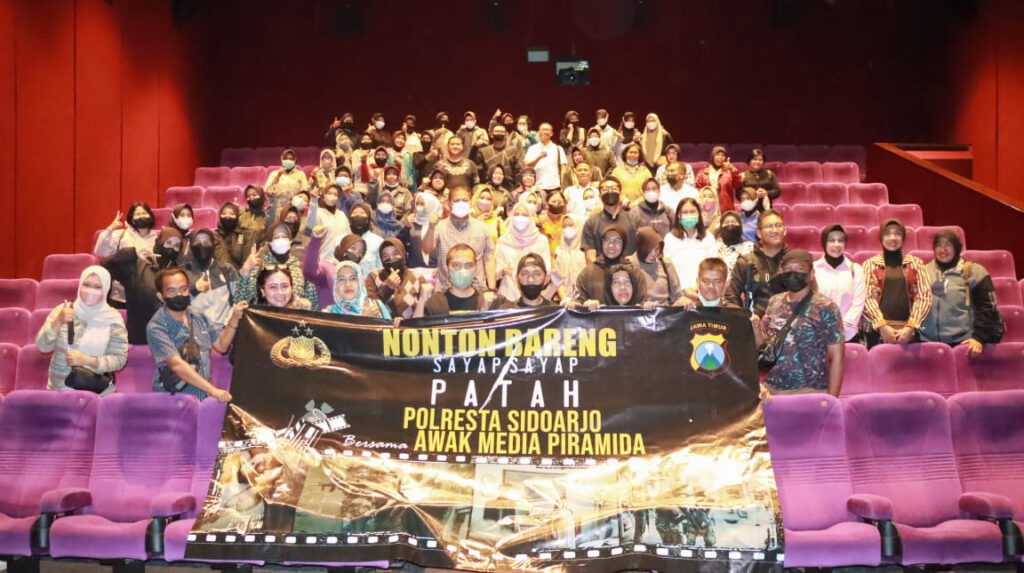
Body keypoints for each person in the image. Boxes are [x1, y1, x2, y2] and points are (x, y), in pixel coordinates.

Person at [146, 267, 247, 402]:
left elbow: (221, 345)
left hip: (202, 396)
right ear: (160, 296)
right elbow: (177, 365)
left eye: (183, 289)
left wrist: (234, 318)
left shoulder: (198, 315)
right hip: (175, 400)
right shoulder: (156, 327)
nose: (179, 294)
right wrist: (213, 391)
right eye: (172, 291)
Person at [754, 249, 844, 396]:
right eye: (788, 268)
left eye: (799, 269)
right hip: (772, 392)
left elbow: (837, 357)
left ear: (811, 274)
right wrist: (755, 327)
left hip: (809, 394)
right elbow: (763, 346)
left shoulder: (826, 307)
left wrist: (832, 400)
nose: (793, 272)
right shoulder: (774, 301)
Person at [36, 266, 128, 394]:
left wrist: (88, 360)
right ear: (80, 285)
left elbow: (119, 359)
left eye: (97, 287)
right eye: (86, 285)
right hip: (59, 390)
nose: (90, 290)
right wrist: (58, 322)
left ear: (106, 289)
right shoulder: (62, 310)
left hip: (94, 392)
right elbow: (42, 346)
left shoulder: (113, 319)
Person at [920, 229, 1004, 354]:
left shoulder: (975, 272)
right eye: (939, 245)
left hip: (963, 344)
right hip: (927, 342)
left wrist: (979, 337)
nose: (943, 250)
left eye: (948, 245)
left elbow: (987, 308)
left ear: (957, 248)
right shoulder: (923, 271)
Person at [103, 227, 186, 344]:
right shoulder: (137, 265)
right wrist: (131, 253)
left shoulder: (178, 273)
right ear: (159, 242)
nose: (171, 248)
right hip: (139, 338)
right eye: (168, 243)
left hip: (170, 340)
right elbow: (104, 268)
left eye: (176, 245)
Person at [861, 219, 932, 348]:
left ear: (903, 238)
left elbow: (924, 297)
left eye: (898, 233)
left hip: (908, 332)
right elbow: (866, 297)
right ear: (881, 237)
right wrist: (882, 325)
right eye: (887, 234)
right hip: (876, 331)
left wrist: (911, 327)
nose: (893, 238)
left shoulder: (916, 263)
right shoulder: (869, 264)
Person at [423, 187, 496, 291]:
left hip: (477, 289)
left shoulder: (482, 228)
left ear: (470, 203)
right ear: (448, 204)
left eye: (465, 200)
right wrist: (431, 228)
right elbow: (426, 249)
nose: (461, 203)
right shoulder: (439, 227)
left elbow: (489, 259)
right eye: (456, 200)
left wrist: (492, 288)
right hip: (445, 290)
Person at [723, 209, 790, 317]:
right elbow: (731, 296)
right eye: (769, 226)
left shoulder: (795, 261)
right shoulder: (746, 262)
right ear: (759, 233)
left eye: (778, 226)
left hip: (789, 323)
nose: (775, 230)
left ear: (785, 230)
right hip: (754, 322)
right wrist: (744, 317)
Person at [236, 223, 318, 308]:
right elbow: (241, 302)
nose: (280, 240)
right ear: (269, 242)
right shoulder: (259, 267)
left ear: (290, 241)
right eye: (276, 237)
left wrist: (304, 306)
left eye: (284, 236)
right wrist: (245, 271)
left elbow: (313, 305)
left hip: (293, 316)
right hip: (265, 316)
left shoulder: (300, 268)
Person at [813, 225, 867, 342]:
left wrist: (842, 327)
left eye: (841, 240)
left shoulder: (855, 269)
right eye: (831, 240)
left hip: (848, 335)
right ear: (824, 242)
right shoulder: (813, 269)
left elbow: (858, 303)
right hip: (819, 333)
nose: (836, 244)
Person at [182, 228, 241, 329]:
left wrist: (245, 274)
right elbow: (176, 306)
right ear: (191, 245)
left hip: (225, 331)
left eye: (206, 242)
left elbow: (240, 298)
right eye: (197, 242)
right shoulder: (183, 273)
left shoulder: (226, 269)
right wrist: (194, 289)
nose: (202, 246)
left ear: (213, 245)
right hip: (196, 333)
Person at [574, 226, 647, 308]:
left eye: (617, 241)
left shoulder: (635, 272)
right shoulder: (587, 273)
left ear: (624, 244)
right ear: (601, 243)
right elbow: (578, 305)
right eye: (606, 240)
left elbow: (641, 306)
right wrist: (585, 304)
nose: (611, 245)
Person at [495, 201, 552, 301]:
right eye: (516, 214)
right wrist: (503, 271)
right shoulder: (503, 241)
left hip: (533, 293)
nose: (520, 218)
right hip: (508, 293)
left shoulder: (541, 240)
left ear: (531, 218)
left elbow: (546, 269)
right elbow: (497, 271)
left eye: (525, 215)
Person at [423, 244, 499, 316]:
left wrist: (486, 311)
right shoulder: (435, 303)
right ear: (447, 269)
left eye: (469, 265)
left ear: (475, 268)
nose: (463, 271)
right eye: (456, 265)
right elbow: (420, 325)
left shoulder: (491, 302)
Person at [365, 238, 430, 321]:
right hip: (385, 327)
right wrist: (387, 289)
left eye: (396, 253)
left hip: (411, 327)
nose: (391, 258)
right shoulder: (374, 277)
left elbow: (427, 311)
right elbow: (371, 309)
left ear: (404, 254)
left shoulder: (417, 278)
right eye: (385, 256)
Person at [662, 198, 719, 290]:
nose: (689, 215)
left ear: (698, 214)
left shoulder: (708, 237)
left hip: (704, 291)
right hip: (679, 292)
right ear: (678, 215)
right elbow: (668, 269)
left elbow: (713, 267)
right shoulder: (670, 239)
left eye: (692, 211)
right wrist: (683, 290)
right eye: (685, 212)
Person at [582, 177, 642, 263]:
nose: (610, 191)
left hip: (630, 268)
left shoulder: (634, 219)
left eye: (614, 188)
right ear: (599, 196)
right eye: (605, 189)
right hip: (601, 270)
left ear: (620, 193)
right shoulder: (591, 223)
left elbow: (642, 250)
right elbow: (590, 258)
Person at [305, 231, 366, 306]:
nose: (356, 254)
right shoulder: (327, 268)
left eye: (361, 252)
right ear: (343, 248)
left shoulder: (359, 275)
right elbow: (310, 271)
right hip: (328, 313)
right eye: (353, 248)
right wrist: (315, 241)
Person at [630, 227, 685, 306]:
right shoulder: (629, 265)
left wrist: (683, 302)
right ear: (641, 247)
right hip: (640, 311)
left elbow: (678, 296)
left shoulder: (665, 264)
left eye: (657, 249)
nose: (653, 254)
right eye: (649, 249)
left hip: (665, 311)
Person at [323, 261, 392, 319]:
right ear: (335, 285)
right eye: (341, 279)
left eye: (353, 278)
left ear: (360, 283)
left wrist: (396, 325)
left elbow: (389, 330)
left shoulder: (376, 306)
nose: (347, 284)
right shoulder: (328, 314)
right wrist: (362, 320)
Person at [94, 202, 158, 258]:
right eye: (138, 214)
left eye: (144, 213)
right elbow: (100, 252)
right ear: (132, 220)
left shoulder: (157, 237)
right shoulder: (120, 235)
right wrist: (110, 229)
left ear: (150, 217)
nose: (142, 216)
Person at [523, 123, 567, 194]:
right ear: (538, 132)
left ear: (551, 133)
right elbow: (526, 166)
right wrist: (538, 157)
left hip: (554, 186)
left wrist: (562, 185)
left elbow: (563, 169)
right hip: (537, 187)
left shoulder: (558, 148)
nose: (545, 132)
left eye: (547, 130)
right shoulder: (532, 148)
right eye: (543, 129)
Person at [694, 146, 741, 212]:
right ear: (712, 157)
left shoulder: (729, 172)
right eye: (717, 155)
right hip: (707, 210)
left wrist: (732, 169)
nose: (720, 157)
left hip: (726, 210)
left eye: (723, 155)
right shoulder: (702, 172)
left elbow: (737, 184)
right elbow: (697, 190)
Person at [402, 192, 442, 270]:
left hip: (435, 269)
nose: (419, 206)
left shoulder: (440, 224)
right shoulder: (411, 221)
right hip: (413, 268)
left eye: (422, 204)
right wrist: (406, 228)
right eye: (417, 203)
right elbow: (402, 244)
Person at [553, 215, 586, 304]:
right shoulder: (559, 252)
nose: (567, 228)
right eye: (564, 226)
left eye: (571, 225)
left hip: (583, 300)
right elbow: (557, 279)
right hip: (563, 301)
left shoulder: (585, 252)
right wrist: (565, 299)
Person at [213, 202, 255, 270]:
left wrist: (243, 271)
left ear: (237, 216)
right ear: (219, 216)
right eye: (224, 213)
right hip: (223, 273)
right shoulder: (215, 236)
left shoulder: (244, 234)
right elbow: (221, 259)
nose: (227, 216)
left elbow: (247, 257)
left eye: (232, 214)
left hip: (244, 272)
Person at [716, 211, 755, 275]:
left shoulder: (750, 247)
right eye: (726, 222)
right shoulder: (715, 247)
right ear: (720, 227)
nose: (730, 224)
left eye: (734, 221)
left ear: (741, 226)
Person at [538, 191, 569, 258]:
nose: (556, 204)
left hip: (564, 258)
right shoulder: (539, 220)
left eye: (560, 202)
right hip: (545, 257)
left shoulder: (567, 220)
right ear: (547, 202)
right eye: (553, 201)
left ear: (564, 203)